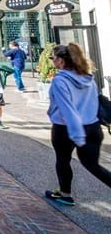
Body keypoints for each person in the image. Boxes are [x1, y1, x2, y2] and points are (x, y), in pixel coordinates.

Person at [45, 43, 111, 206]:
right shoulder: (88, 78)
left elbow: (67, 109)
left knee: (63, 160)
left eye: (54, 59)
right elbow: (94, 103)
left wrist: (78, 135)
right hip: (93, 126)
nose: (53, 62)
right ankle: (64, 193)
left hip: (66, 128)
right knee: (93, 165)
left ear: (61, 61)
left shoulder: (60, 81)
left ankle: (65, 194)